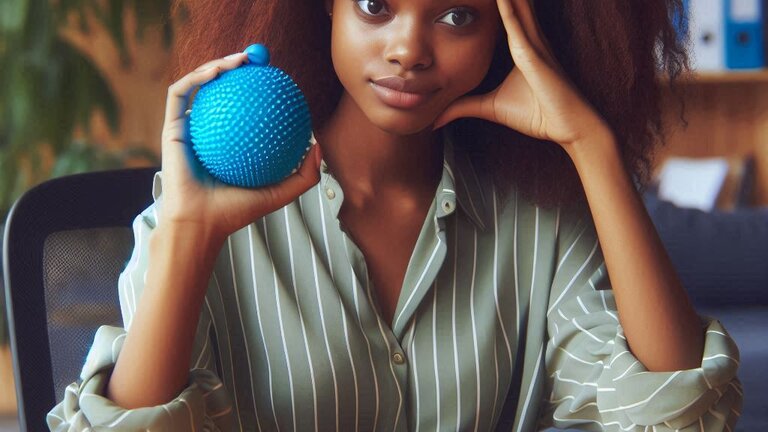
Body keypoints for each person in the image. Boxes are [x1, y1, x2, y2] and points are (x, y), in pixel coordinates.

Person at [48, 0, 743, 430]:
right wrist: (189, 234)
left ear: (508, 30)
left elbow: (677, 418)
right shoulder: (203, 221)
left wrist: (591, 147)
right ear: (326, 6)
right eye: (376, 4)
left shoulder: (538, 223)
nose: (409, 48)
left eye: (457, 15)